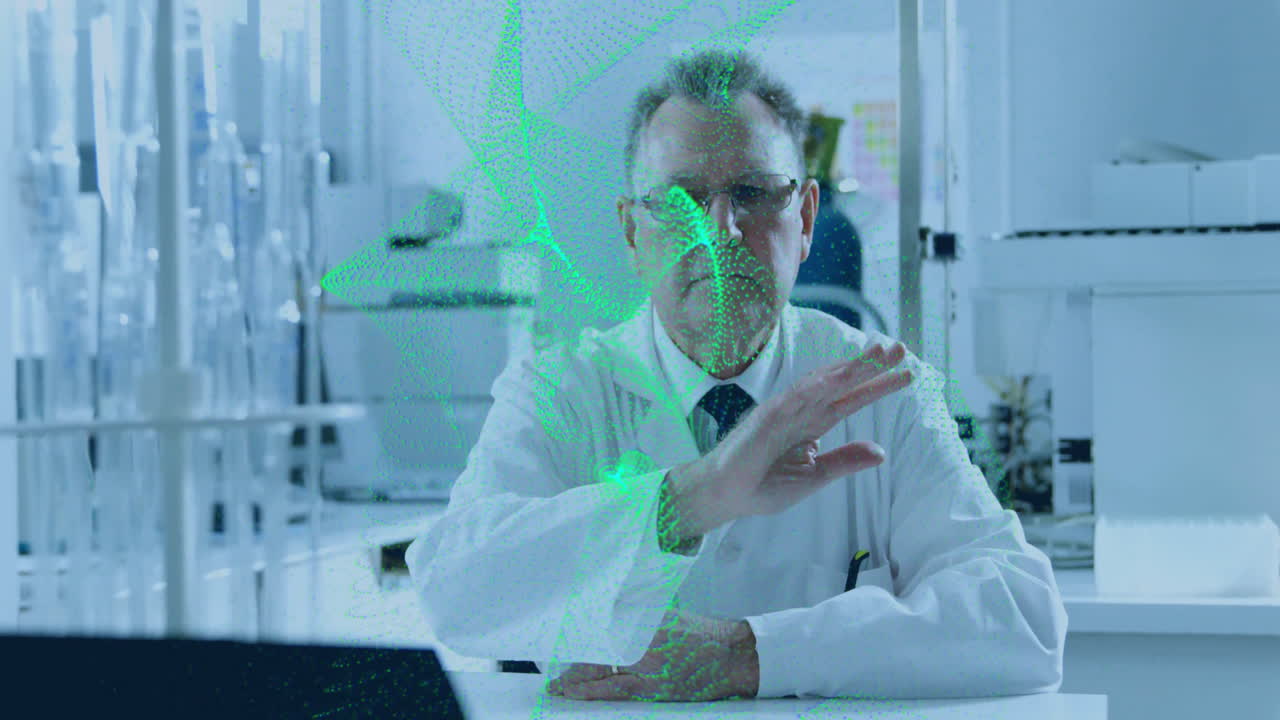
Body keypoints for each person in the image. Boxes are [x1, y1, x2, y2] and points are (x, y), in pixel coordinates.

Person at [406, 49, 1067, 701]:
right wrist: (692, 497)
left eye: (752, 193)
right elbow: (454, 589)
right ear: (632, 233)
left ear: (805, 219)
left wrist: (750, 654)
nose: (721, 231)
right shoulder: (561, 389)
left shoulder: (882, 388)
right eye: (679, 201)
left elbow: (1023, 617)